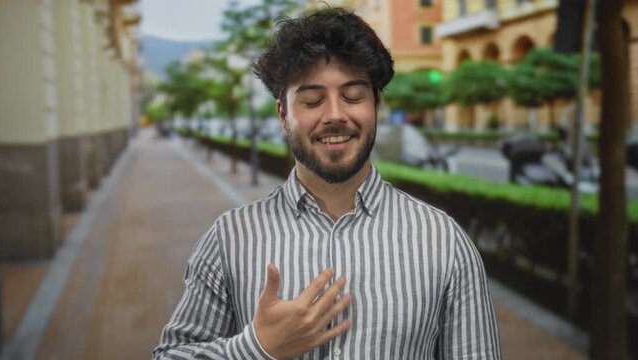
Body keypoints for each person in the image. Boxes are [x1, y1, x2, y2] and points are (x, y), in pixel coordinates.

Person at [153, 7, 501, 360]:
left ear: (376, 104)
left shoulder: (443, 241)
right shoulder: (230, 238)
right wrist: (256, 348)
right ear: (284, 115)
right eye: (312, 100)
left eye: (352, 96)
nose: (335, 115)